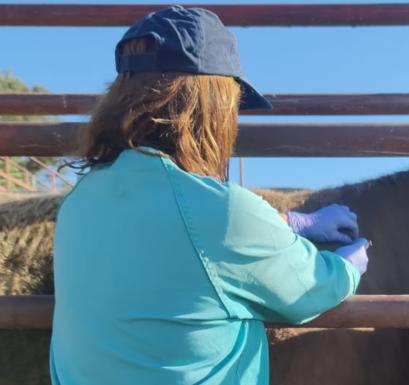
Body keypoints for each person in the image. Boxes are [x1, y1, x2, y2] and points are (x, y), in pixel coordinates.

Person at [50, 6, 369, 385]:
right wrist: (348, 267)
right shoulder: (221, 212)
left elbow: (171, 250)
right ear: (212, 108)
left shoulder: (79, 201)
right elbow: (310, 289)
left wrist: (283, 224)